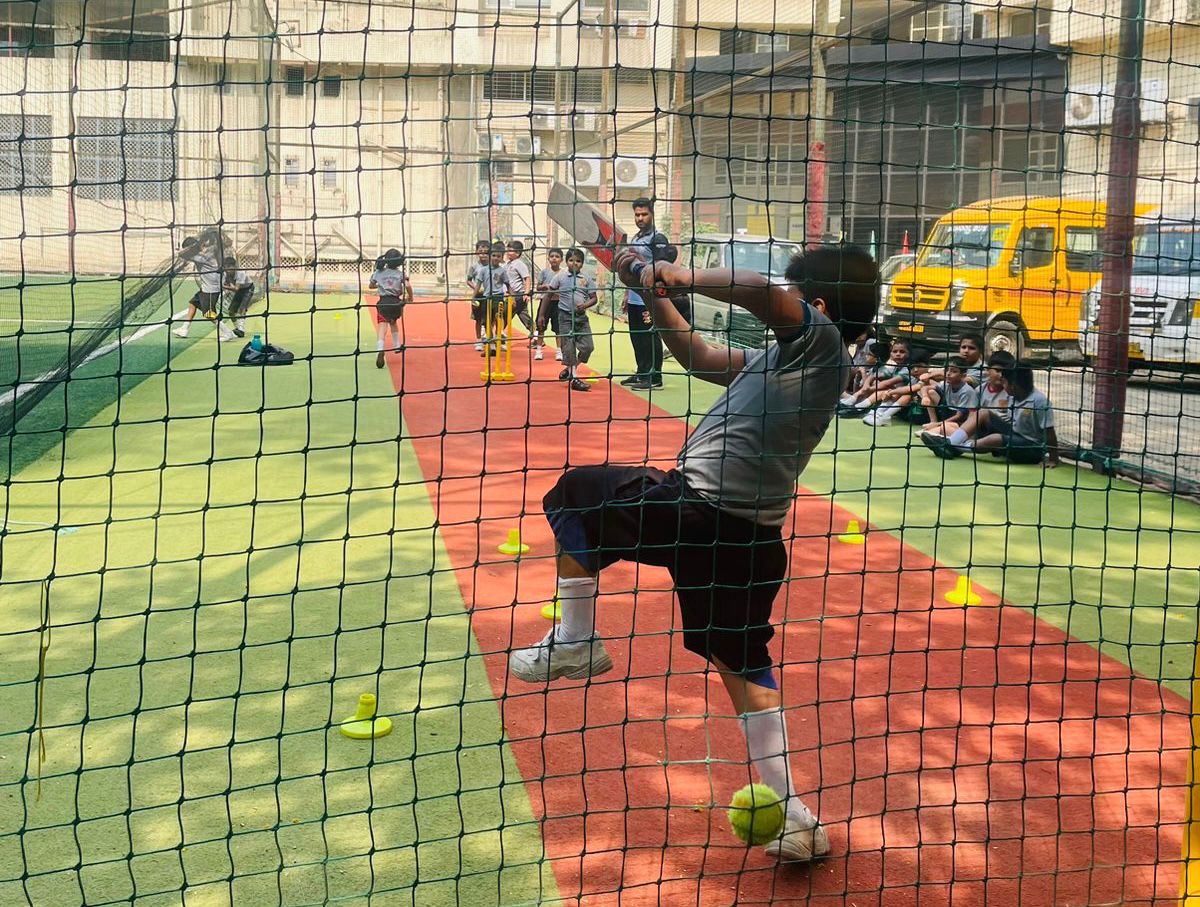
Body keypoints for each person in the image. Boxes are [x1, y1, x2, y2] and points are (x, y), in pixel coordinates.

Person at [507, 243, 880, 863]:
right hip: (746, 540)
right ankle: (792, 814)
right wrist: (655, 292)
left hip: (696, 510)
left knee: (575, 494)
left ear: (815, 306)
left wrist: (682, 274)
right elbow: (697, 354)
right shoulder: (783, 359)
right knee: (742, 666)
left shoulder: (821, 348)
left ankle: (575, 640)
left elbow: (764, 294)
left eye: (796, 296)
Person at [921, 362, 1060, 467]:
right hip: (1014, 434)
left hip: (1031, 447)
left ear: (1014, 384)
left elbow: (1049, 432)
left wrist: (1053, 458)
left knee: (995, 438)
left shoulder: (1039, 401)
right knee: (983, 413)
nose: (1003, 387)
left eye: (1004, 383)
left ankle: (955, 448)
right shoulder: (1014, 396)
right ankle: (951, 443)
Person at [622, 197, 671, 390]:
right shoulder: (635, 238)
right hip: (635, 298)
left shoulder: (657, 238)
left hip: (649, 300)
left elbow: (661, 268)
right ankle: (642, 372)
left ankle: (655, 377)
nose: (640, 218)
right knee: (637, 336)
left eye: (644, 214)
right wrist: (627, 294)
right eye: (637, 214)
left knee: (650, 336)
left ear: (652, 214)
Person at [547, 247, 596, 392]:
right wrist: (542, 314)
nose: (574, 263)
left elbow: (594, 298)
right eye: (571, 260)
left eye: (578, 261)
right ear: (566, 261)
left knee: (588, 347)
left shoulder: (586, 278)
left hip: (581, 318)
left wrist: (585, 305)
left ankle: (570, 369)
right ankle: (574, 378)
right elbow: (549, 295)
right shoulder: (560, 276)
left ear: (582, 263)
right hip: (565, 317)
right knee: (569, 348)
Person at [173, 235, 234, 341]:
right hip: (208, 288)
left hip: (210, 290)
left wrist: (190, 249)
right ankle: (184, 328)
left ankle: (227, 332)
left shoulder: (200, 257)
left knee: (208, 314)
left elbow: (181, 254)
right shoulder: (209, 252)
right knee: (193, 303)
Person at [837, 338, 910, 416]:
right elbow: (873, 377)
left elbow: (887, 383)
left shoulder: (906, 369)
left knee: (880, 386)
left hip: (896, 398)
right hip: (884, 396)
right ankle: (854, 403)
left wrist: (866, 384)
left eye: (902, 352)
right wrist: (863, 382)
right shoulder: (893, 368)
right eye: (895, 351)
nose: (898, 354)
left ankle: (863, 408)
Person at [860, 349, 932, 426]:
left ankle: (885, 416)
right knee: (896, 392)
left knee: (906, 395)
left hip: (924, 415)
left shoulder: (928, 377)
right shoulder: (913, 378)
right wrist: (891, 392)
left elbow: (911, 389)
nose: (916, 370)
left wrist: (891, 392)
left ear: (928, 365)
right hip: (908, 412)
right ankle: (878, 413)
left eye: (919, 366)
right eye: (912, 367)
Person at [369, 248, 411, 368]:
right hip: (396, 302)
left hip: (383, 302)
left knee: (382, 325)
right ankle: (397, 345)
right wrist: (410, 297)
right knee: (393, 322)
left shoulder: (378, 272)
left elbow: (371, 285)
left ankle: (380, 349)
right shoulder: (400, 274)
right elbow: (407, 285)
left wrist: (380, 285)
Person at [914, 356, 979, 431]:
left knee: (943, 429)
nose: (948, 373)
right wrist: (925, 397)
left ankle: (935, 428)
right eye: (947, 370)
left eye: (954, 371)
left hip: (963, 422)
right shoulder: (947, 384)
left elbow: (959, 416)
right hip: (950, 414)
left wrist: (938, 424)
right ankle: (933, 422)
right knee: (930, 392)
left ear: (963, 376)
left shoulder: (967, 391)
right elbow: (925, 388)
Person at [478, 242, 517, 356]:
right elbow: (478, 284)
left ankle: (499, 335)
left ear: (501, 258)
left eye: (498, 256)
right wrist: (473, 297)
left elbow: (508, 285)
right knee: (487, 322)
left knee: (498, 318)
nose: (495, 258)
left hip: (498, 297)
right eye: (493, 255)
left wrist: (513, 298)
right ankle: (490, 347)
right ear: (490, 256)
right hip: (486, 298)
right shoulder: (484, 270)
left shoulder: (502, 271)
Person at [536, 247, 566, 363]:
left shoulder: (564, 273)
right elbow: (538, 287)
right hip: (545, 302)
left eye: (557, 257)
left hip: (558, 303)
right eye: (552, 256)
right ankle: (539, 349)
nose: (554, 259)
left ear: (561, 259)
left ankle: (559, 350)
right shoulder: (544, 272)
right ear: (548, 258)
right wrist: (545, 286)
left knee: (558, 327)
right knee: (541, 325)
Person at [505, 240, 536, 344]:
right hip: (511, 294)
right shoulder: (509, 264)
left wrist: (526, 293)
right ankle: (536, 336)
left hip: (517, 294)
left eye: (510, 250)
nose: (507, 252)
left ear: (517, 253)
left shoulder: (519, 264)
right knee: (523, 315)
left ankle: (499, 335)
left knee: (505, 314)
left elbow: (527, 278)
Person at [222, 256, 255, 338]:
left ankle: (241, 329)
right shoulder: (226, 274)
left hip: (248, 289)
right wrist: (226, 291)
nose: (228, 270)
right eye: (226, 268)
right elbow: (227, 283)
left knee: (242, 308)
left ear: (234, 266)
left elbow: (236, 288)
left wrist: (223, 287)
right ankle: (237, 328)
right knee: (231, 312)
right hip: (240, 290)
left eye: (230, 267)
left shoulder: (241, 274)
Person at [467, 240, 491, 352]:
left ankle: (489, 339)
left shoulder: (492, 266)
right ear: (477, 252)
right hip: (478, 296)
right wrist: (476, 287)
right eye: (481, 252)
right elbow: (468, 280)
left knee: (489, 319)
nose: (483, 255)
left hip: (489, 296)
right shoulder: (474, 266)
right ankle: (478, 340)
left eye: (486, 253)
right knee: (478, 319)